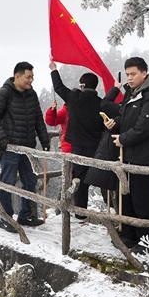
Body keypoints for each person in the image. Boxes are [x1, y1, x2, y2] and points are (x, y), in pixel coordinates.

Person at [109, 56, 149, 254]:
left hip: (144, 155)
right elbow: (126, 117)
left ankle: (146, 240)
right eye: (127, 74)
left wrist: (124, 139)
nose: (129, 78)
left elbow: (146, 127)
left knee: (143, 200)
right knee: (128, 197)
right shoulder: (134, 94)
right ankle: (129, 235)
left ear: (144, 73)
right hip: (129, 155)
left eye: (133, 74)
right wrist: (115, 123)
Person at [0, 61, 50, 232]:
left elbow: (38, 118)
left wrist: (45, 140)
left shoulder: (32, 94)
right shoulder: (4, 93)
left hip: (26, 147)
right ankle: (6, 218)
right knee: (8, 182)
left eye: (32, 77)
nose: (31, 80)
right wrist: (2, 138)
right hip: (11, 148)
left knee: (30, 180)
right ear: (17, 76)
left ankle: (25, 215)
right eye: (28, 77)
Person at [49, 62, 108, 217]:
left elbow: (59, 87)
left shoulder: (74, 98)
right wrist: (116, 88)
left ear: (82, 85)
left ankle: (80, 213)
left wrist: (54, 70)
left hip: (78, 148)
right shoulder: (101, 103)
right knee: (103, 179)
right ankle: (113, 211)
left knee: (79, 182)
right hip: (97, 148)